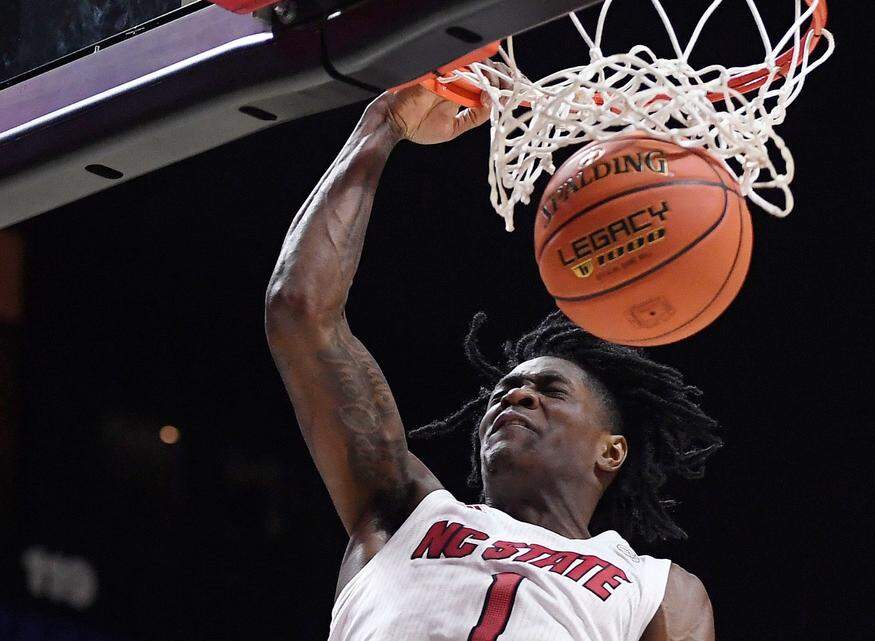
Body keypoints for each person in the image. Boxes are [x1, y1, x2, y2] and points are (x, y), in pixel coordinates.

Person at [265, 84, 723, 640]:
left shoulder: (656, 589)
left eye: (550, 390)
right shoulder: (403, 513)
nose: (513, 396)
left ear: (612, 450)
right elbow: (299, 310)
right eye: (503, 392)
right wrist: (382, 123)